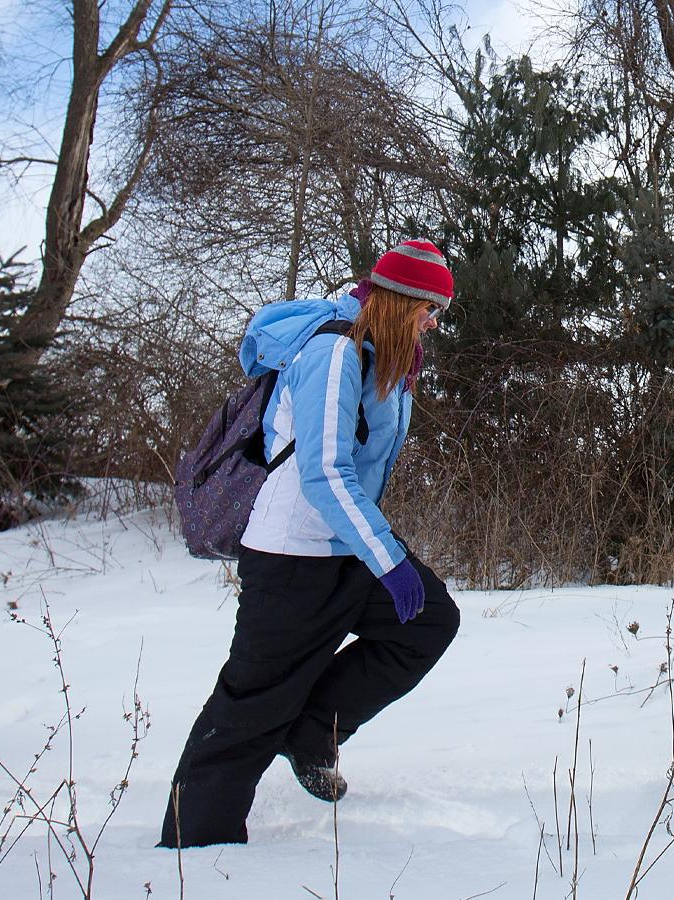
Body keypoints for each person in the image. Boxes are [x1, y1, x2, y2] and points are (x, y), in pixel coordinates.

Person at [159, 240, 463, 848]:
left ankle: (311, 734)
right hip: (292, 553)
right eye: (428, 309)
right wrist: (390, 560)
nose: (433, 322)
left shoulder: (383, 352)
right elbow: (324, 472)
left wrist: (380, 555)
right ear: (399, 300)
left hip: (344, 544)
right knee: (254, 700)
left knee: (427, 623)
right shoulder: (334, 352)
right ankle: (195, 845)